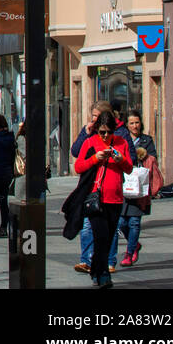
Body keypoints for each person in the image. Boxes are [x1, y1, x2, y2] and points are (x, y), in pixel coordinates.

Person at [74, 108, 133, 288]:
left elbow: (129, 168)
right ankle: (102, 273)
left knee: (108, 238)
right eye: (102, 132)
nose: (106, 135)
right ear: (97, 129)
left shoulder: (121, 142)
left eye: (109, 132)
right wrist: (95, 158)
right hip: (96, 199)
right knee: (100, 237)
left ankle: (96, 271)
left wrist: (120, 159)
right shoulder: (90, 142)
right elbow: (78, 166)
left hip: (115, 199)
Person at [69, 101, 117, 274]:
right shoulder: (90, 137)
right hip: (91, 186)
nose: (94, 120)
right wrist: (85, 133)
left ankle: (109, 261)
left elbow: (129, 160)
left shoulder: (119, 136)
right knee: (88, 225)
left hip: (112, 190)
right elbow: (76, 153)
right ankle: (87, 260)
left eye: (97, 116)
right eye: (93, 116)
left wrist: (117, 158)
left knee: (111, 227)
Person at [118, 111, 160, 267]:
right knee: (121, 223)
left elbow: (153, 159)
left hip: (140, 188)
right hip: (124, 185)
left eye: (137, 122)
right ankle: (134, 244)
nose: (135, 126)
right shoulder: (122, 140)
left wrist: (142, 156)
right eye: (132, 123)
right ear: (126, 125)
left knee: (134, 222)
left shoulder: (147, 140)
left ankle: (129, 253)